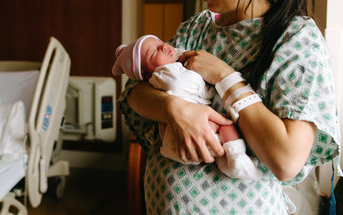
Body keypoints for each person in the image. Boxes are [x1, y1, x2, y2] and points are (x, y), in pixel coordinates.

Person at [118, 0, 341, 215]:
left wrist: (225, 76)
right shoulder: (197, 29)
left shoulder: (295, 39)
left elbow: (286, 159)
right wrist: (176, 110)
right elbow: (133, 92)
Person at [112, 34, 266, 181]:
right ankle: (236, 156)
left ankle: (230, 162)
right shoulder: (163, 74)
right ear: (146, 74)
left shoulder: (168, 68)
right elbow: (189, 85)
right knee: (226, 124)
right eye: (154, 51)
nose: (164, 47)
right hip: (183, 136)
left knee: (221, 132)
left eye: (161, 42)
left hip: (188, 140)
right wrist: (207, 86)